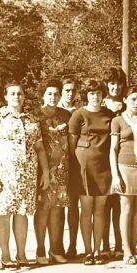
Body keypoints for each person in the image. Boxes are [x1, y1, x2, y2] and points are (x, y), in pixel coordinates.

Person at [0, 81, 50, 269]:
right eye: (12, 93)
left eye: (19, 93)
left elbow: (40, 148)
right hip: (4, 174)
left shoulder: (31, 120)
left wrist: (45, 171)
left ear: (24, 96)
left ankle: (21, 253)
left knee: (22, 214)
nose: (16, 97)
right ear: (5, 96)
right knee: (3, 214)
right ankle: (5, 254)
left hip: (26, 175)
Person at [69, 79, 113, 265]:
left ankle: (98, 251)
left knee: (101, 210)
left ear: (103, 95)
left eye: (98, 93)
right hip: (84, 165)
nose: (95, 97)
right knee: (86, 210)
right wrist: (75, 167)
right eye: (92, 93)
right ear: (86, 95)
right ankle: (87, 251)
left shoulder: (109, 114)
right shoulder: (78, 114)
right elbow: (72, 144)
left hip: (104, 165)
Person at [109, 86, 137, 265]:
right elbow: (112, 149)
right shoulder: (118, 120)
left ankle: (134, 249)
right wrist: (115, 175)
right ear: (125, 100)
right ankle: (126, 251)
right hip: (124, 168)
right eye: (133, 99)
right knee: (126, 209)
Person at [35, 80, 72, 265]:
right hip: (43, 170)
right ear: (43, 95)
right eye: (49, 93)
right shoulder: (35, 115)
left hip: (63, 169)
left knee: (58, 210)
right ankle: (40, 249)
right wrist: (44, 171)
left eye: (56, 94)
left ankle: (55, 249)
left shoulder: (66, 115)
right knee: (43, 210)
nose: (53, 97)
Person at [100, 67, 127, 262]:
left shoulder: (128, 105)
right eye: (111, 83)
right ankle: (104, 245)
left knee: (120, 205)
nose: (115, 87)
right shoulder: (99, 104)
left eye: (118, 83)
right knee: (103, 206)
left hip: (122, 160)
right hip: (101, 160)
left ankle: (119, 244)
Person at [57, 76, 81, 259]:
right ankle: (55, 247)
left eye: (73, 90)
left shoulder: (79, 111)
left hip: (74, 163)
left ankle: (72, 246)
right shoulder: (53, 111)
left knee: (73, 206)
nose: (70, 94)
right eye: (67, 90)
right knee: (56, 208)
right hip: (56, 164)